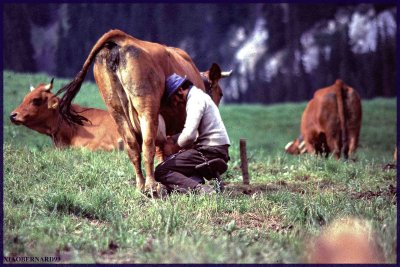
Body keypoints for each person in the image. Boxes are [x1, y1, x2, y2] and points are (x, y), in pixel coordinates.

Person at [155, 73, 230, 194]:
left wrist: (173, 147)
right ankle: (196, 182)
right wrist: (173, 138)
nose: (175, 103)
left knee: (161, 170)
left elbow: (189, 135)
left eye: (173, 98)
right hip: (216, 148)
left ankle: (202, 190)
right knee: (182, 159)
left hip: (209, 151)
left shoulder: (195, 99)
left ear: (180, 90)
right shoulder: (200, 96)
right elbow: (195, 134)